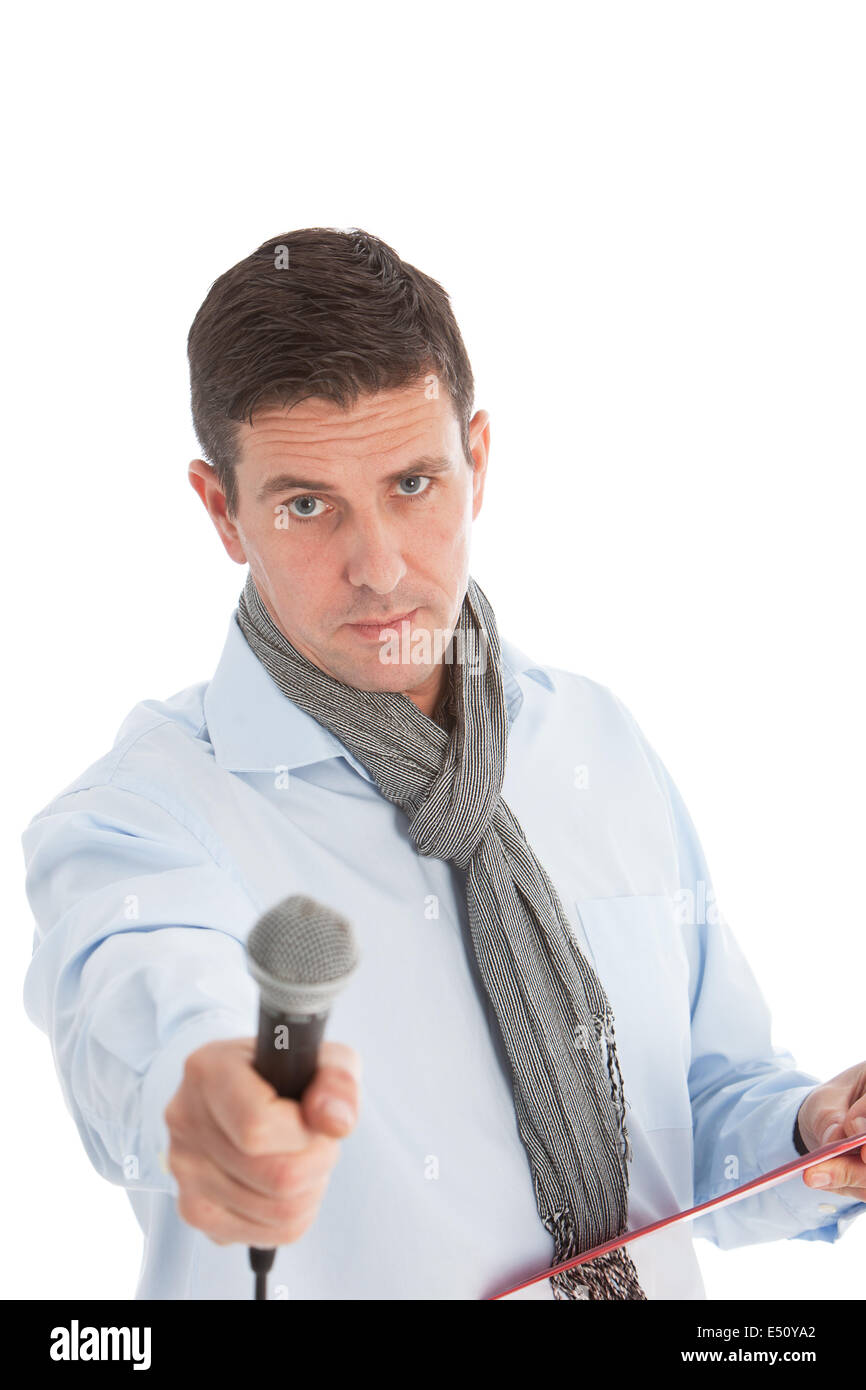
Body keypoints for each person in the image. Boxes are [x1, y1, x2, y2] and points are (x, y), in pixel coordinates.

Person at [21, 227, 866, 1300]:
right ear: (220, 510)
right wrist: (206, 1097)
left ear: (478, 460)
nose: (377, 568)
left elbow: (689, 1111)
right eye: (304, 504)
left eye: (413, 482)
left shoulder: (593, 745)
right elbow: (148, 1009)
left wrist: (813, 1131)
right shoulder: (140, 818)